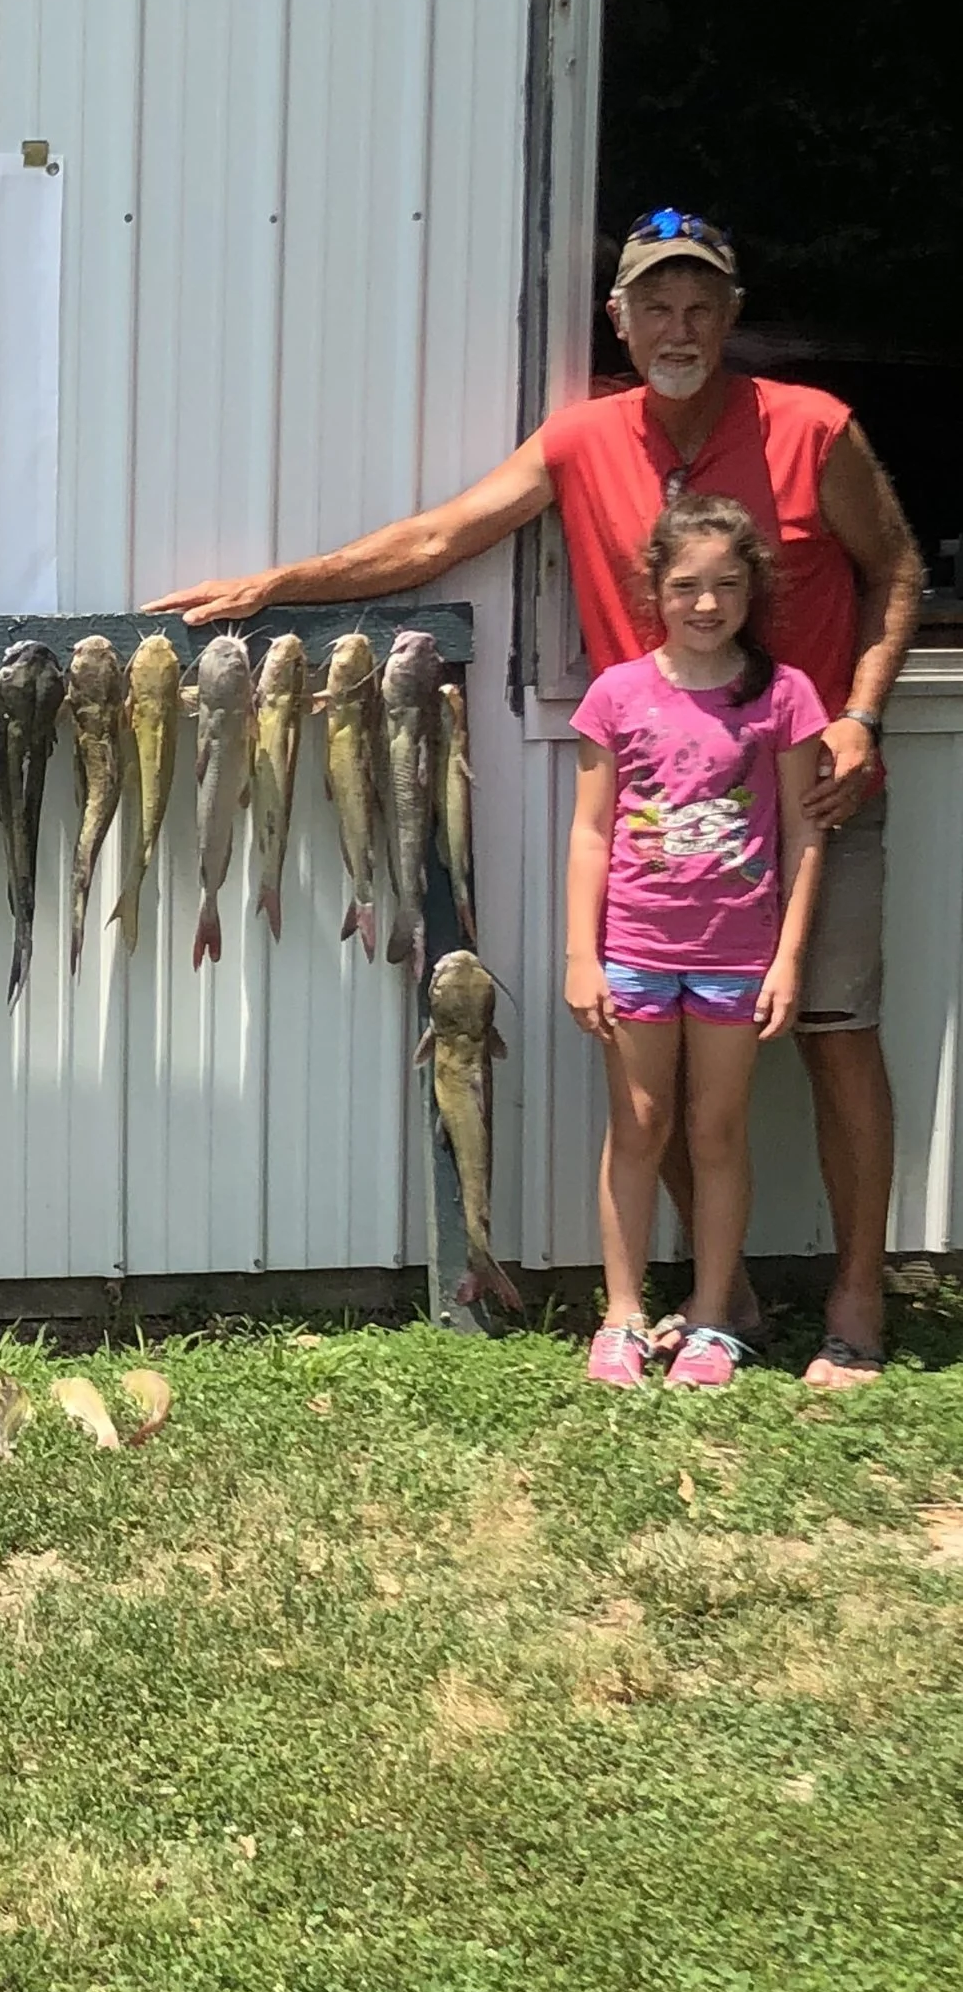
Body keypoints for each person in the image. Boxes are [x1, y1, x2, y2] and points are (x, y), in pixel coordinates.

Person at [153, 209, 922, 1386]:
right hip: (665, 816)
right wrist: (278, 587)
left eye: (700, 304)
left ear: (729, 316)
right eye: (654, 305)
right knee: (656, 1060)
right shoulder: (579, 438)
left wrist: (862, 718)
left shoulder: (812, 430)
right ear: (618, 320)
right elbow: (440, 535)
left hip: (808, 793)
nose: (679, 325)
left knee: (833, 1035)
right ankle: (732, 1305)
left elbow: (899, 571)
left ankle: (858, 1304)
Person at [565, 497, 826, 1391]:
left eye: (725, 584)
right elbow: (591, 833)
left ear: (753, 587)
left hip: (735, 953)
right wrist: (579, 953)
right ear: (656, 591)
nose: (706, 604)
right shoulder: (617, 695)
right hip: (636, 947)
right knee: (638, 1126)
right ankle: (622, 1314)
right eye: (686, 586)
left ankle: (715, 1317)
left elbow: (804, 832)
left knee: (716, 1132)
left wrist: (790, 955)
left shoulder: (784, 694)